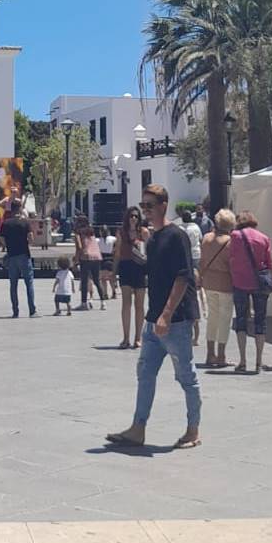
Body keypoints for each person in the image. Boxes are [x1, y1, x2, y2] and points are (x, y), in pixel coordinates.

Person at [105, 184, 201, 449]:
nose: (145, 210)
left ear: (163, 205)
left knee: (186, 377)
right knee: (145, 373)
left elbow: (184, 277)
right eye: (143, 205)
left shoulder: (176, 236)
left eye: (149, 205)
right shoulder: (154, 238)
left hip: (175, 321)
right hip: (152, 320)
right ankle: (138, 427)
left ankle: (193, 429)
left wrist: (167, 315)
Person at [228, 211, 272, 373]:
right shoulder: (264, 238)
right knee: (260, 321)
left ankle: (243, 360)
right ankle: (259, 362)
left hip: (240, 282)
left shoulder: (235, 236)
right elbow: (269, 263)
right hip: (259, 283)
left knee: (241, 320)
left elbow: (230, 258)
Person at [198, 208, 234, 369]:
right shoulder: (230, 242)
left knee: (212, 317)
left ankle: (209, 353)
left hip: (209, 281)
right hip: (225, 282)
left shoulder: (206, 238)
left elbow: (202, 260)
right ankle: (221, 355)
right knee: (224, 319)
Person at [116, 206, 149, 349]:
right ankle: (125, 338)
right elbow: (117, 252)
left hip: (140, 268)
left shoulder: (144, 232)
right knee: (126, 303)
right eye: (131, 216)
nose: (133, 218)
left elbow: (150, 251)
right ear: (127, 217)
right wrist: (113, 271)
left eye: (136, 216)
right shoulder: (121, 232)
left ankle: (138, 338)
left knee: (140, 305)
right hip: (125, 266)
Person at [0, 200, 37, 317]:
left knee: (13, 285)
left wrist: (7, 245)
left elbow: (1, 239)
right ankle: (32, 310)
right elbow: (31, 239)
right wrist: (26, 242)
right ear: (20, 208)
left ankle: (15, 311)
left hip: (12, 256)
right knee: (29, 283)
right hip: (24, 255)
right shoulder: (25, 222)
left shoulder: (6, 223)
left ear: (11, 208)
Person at [180, 209, 205, 345]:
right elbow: (200, 239)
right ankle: (198, 286)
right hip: (197, 252)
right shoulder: (196, 227)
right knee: (197, 274)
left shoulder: (180, 228)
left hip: (187, 254)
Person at [76, 221, 106, 311]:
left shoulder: (78, 234)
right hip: (97, 257)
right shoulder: (92, 234)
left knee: (84, 281)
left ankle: (84, 303)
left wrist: (76, 259)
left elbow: (79, 247)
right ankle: (103, 302)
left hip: (85, 257)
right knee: (97, 280)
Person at [97, 225, 118, 300]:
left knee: (103, 279)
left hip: (102, 259)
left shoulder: (98, 240)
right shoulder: (113, 239)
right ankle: (114, 292)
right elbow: (117, 243)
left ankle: (105, 293)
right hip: (111, 258)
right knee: (111, 278)